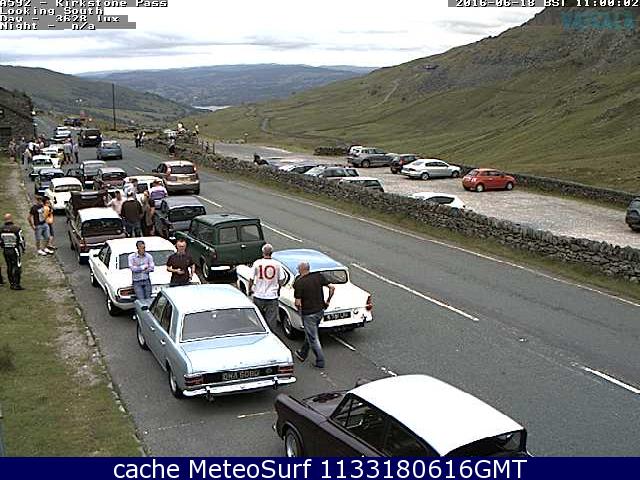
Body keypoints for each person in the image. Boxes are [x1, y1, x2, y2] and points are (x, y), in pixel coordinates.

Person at [293, 261, 335, 369]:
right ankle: (302, 353)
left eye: (298, 268)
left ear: (301, 269)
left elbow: (297, 302)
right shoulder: (318, 276)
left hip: (308, 313)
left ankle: (320, 361)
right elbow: (332, 288)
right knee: (311, 333)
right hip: (320, 310)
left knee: (313, 338)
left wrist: (300, 311)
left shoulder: (299, 283)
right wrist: (328, 301)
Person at [248, 244, 285, 327]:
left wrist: (250, 289)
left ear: (263, 253)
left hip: (259, 294)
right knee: (271, 319)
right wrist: (278, 289)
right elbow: (281, 279)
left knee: (258, 319)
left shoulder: (257, 263)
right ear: (272, 253)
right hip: (272, 295)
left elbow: (251, 279)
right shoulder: (277, 264)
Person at [0, 213, 26, 290]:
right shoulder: (16, 228)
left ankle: (11, 283)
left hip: (5, 250)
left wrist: (2, 246)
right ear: (11, 218)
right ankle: (16, 284)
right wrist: (23, 249)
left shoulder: (1, 229)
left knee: (9, 266)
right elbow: (21, 240)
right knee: (17, 266)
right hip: (14, 249)